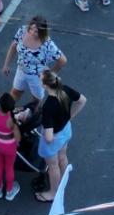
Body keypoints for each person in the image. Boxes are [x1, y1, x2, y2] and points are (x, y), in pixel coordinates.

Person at [34, 70, 85, 203]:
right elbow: (82, 100)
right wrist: (70, 116)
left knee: (53, 165)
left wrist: (45, 135)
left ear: (45, 85)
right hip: (66, 130)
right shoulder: (65, 89)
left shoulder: (48, 106)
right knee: (62, 157)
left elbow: (49, 137)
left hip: (54, 137)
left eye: (40, 80)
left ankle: (53, 192)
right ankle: (63, 180)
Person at [0, 15, 66, 102]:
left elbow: (62, 60)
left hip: (37, 77)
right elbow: (13, 47)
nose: (31, 32)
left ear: (42, 32)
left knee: (36, 100)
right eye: (30, 29)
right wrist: (6, 65)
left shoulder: (47, 44)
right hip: (21, 70)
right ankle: (8, 110)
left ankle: (34, 113)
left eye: (36, 31)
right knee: (15, 92)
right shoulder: (22, 31)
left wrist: (50, 74)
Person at [0, 92, 21, 201]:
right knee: (9, 168)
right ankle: (9, 191)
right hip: (9, 147)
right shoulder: (11, 121)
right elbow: (18, 138)